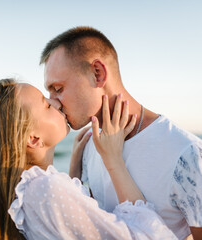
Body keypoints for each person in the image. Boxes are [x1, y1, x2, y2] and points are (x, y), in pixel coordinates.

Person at [40, 26, 202, 239]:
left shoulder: (186, 153)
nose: (54, 103)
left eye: (58, 89)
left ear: (98, 73)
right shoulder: (89, 146)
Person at [0, 78, 176, 239]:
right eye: (46, 105)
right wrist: (113, 160)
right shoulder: (46, 189)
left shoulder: (28, 191)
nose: (56, 102)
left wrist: (74, 173)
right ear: (34, 139)